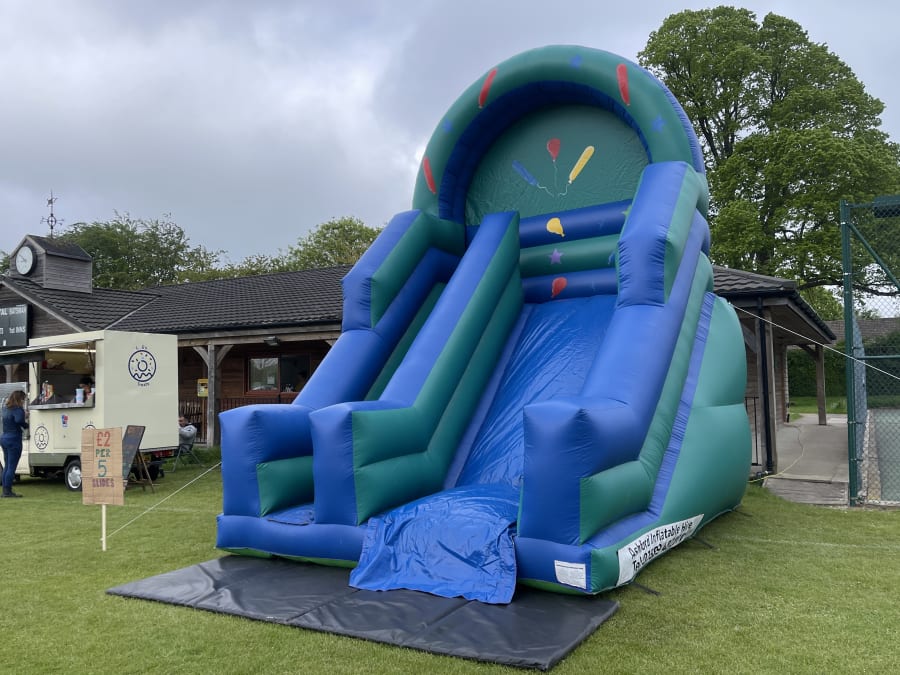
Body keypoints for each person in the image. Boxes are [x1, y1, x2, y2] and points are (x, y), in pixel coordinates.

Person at [1, 390, 29, 498]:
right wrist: (26, 423)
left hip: (4, 438)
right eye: (23, 399)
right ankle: (8, 492)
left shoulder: (5, 409)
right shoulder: (18, 409)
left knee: (7, 465)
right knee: (11, 467)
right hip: (14, 439)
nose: (23, 401)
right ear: (19, 399)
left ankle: (5, 490)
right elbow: (18, 420)